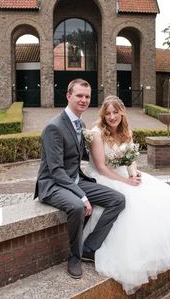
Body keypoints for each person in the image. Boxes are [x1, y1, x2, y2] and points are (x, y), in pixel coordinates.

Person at [83, 95, 170, 294]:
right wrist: (126, 181)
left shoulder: (126, 132)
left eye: (115, 112)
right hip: (104, 178)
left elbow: (131, 158)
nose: (111, 116)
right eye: (107, 113)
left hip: (124, 175)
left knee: (162, 198)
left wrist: (134, 171)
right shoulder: (97, 134)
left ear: (122, 112)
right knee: (131, 205)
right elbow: (101, 168)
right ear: (103, 115)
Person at [34, 79, 125, 279]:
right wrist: (82, 195)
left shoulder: (81, 124)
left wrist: (110, 152)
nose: (83, 100)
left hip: (75, 178)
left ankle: (89, 248)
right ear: (68, 97)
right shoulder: (54, 127)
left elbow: (82, 154)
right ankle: (74, 256)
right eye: (79, 96)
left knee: (118, 200)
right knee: (77, 207)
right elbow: (56, 171)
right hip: (53, 184)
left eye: (87, 97)